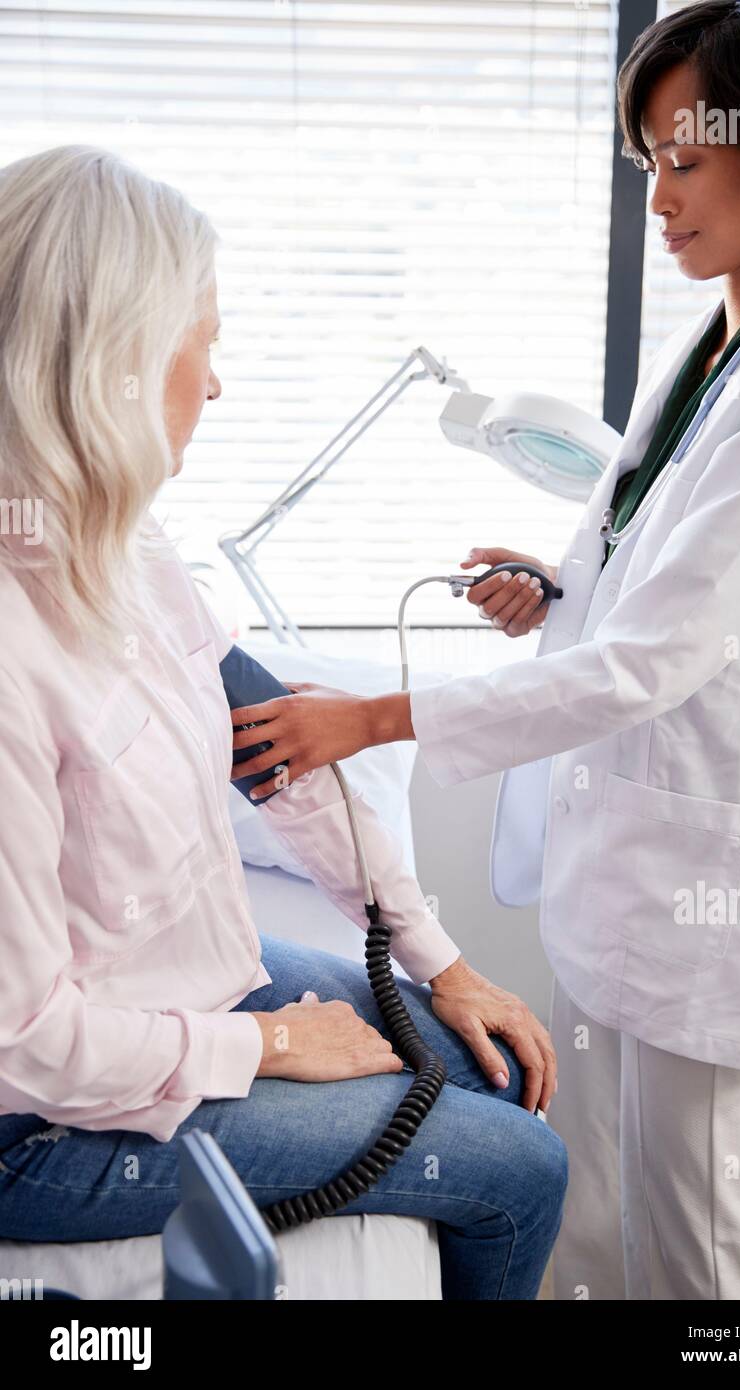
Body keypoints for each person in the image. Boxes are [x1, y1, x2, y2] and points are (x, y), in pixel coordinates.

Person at [230, 0, 740, 1299]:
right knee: (596, 1211)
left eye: (684, 162)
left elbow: (659, 655)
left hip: (703, 881)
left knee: (705, 1250)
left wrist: (370, 717)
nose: (660, 202)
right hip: (616, 859)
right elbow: (644, 565)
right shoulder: (720, 332)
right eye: (648, 166)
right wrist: (556, 586)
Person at [0, 143, 568, 1303]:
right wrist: (266, 1048)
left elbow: (284, 759)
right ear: (111, 355)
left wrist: (440, 962)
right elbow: (25, 1040)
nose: (215, 383)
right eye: (201, 338)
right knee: (523, 1168)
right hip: (49, 1120)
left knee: (489, 1061)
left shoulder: (128, 550)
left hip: (191, 983)